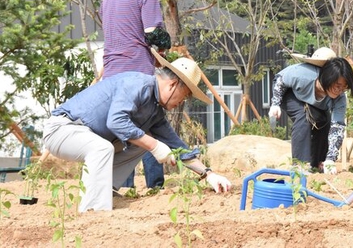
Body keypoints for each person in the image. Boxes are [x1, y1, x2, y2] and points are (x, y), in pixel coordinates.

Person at [42, 49, 231, 212]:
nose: (178, 105)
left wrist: (209, 174)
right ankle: (93, 209)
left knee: (141, 143)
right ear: (172, 85)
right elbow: (116, 121)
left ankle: (104, 191)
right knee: (117, 146)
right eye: (181, 99)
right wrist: (154, 145)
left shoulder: (155, 110)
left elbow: (177, 146)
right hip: (63, 129)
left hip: (90, 137)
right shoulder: (137, 84)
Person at [99, 0, 172, 189]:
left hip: (111, 72)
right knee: (147, 125)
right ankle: (155, 185)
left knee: (121, 128)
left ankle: (121, 185)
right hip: (137, 69)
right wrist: (165, 47)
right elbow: (153, 33)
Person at [268, 47, 353, 174]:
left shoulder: (340, 98)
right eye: (337, 86)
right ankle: (300, 165)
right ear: (327, 77)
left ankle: (319, 163)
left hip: (315, 104)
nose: (339, 91)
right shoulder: (303, 75)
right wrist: (275, 103)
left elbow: (337, 127)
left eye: (344, 88)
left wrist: (331, 159)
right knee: (303, 117)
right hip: (290, 93)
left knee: (325, 121)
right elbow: (280, 81)